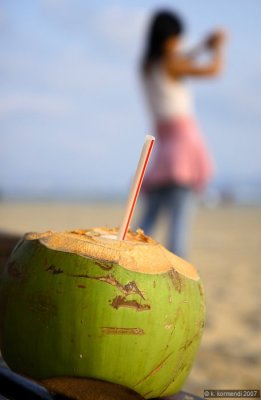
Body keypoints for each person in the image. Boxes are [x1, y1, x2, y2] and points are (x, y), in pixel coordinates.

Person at [139, 10, 227, 258]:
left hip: (163, 148)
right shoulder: (172, 63)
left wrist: (201, 46)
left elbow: (179, 60)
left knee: (146, 222)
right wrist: (219, 48)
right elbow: (214, 70)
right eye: (177, 38)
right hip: (183, 147)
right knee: (179, 226)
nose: (179, 43)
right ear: (169, 39)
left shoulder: (147, 66)